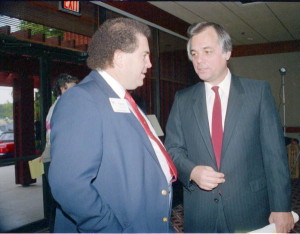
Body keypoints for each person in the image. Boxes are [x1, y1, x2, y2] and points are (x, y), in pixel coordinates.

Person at [48, 17, 177, 233]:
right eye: (144, 56)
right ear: (119, 58)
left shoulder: (124, 99)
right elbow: (68, 185)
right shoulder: (82, 99)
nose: (149, 64)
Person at [164, 22, 294, 233]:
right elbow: (172, 150)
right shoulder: (183, 100)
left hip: (249, 209)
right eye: (194, 53)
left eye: (207, 51)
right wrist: (193, 171)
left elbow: (275, 155)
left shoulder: (257, 93)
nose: (199, 60)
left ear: (227, 52)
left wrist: (281, 207)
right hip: (201, 212)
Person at [41, 73, 79, 232]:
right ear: (63, 89)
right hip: (58, 158)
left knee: (58, 200)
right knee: (63, 200)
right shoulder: (62, 107)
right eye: (73, 89)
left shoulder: (55, 106)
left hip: (54, 156)